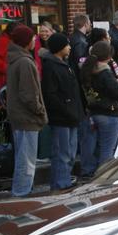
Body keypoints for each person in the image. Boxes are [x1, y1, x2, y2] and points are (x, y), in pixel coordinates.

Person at [5, 24, 48, 197]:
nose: (35, 40)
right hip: (27, 118)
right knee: (27, 162)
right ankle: (21, 195)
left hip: (21, 117)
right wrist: (40, 111)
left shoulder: (17, 59)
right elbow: (29, 95)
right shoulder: (24, 62)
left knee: (24, 159)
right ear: (25, 41)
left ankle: (21, 193)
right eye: (32, 38)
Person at [40, 32, 83, 190]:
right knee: (62, 153)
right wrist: (66, 109)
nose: (70, 47)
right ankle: (60, 184)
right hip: (61, 118)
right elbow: (51, 94)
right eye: (67, 45)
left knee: (71, 153)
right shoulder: (50, 66)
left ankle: (64, 179)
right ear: (59, 47)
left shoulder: (66, 64)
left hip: (72, 116)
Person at [81, 41, 118, 166]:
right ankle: (104, 177)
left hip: (94, 111)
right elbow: (117, 92)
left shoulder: (87, 69)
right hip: (109, 113)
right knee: (108, 149)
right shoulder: (105, 72)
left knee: (97, 146)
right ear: (108, 56)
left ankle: (91, 171)